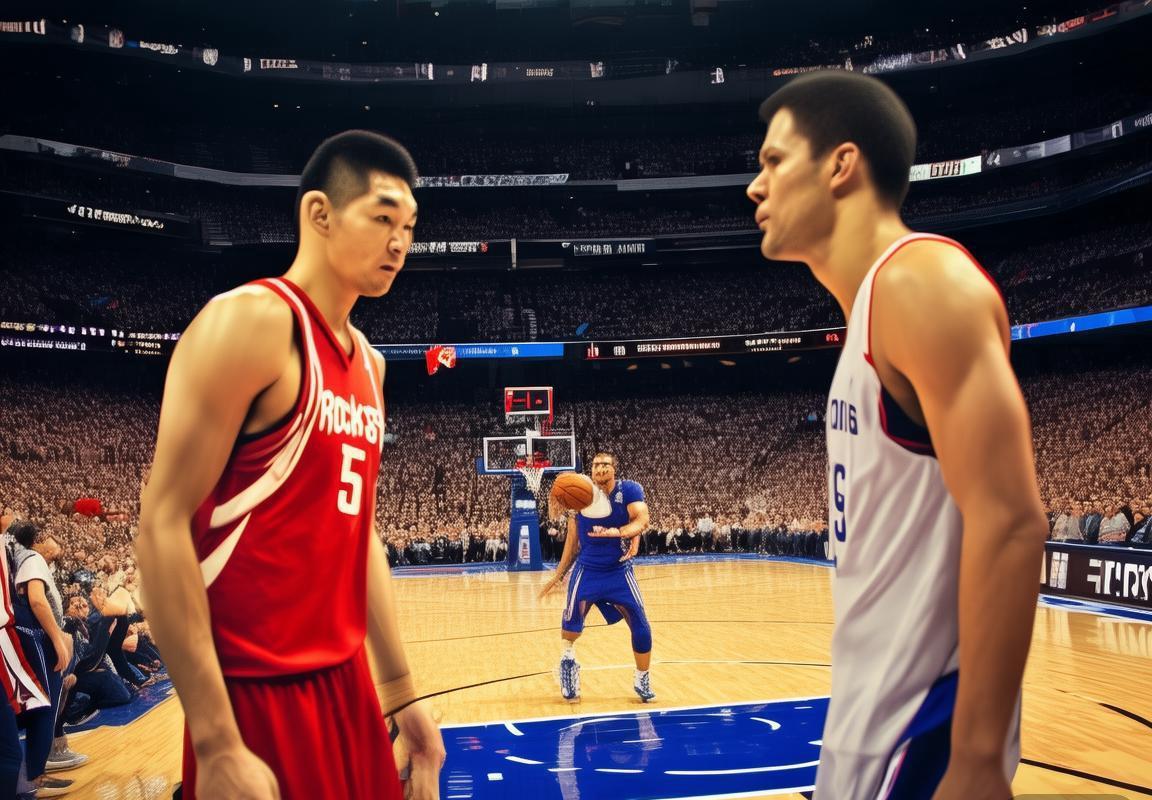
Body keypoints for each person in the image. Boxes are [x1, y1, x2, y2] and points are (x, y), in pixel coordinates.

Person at [747, 72, 1048, 799]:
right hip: (872, 725)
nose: (755, 186)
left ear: (841, 165)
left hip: (922, 737)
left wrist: (976, 759)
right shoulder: (869, 315)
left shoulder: (920, 284)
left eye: (774, 161)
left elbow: (1010, 521)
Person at [135, 130, 444, 800]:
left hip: (348, 683)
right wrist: (215, 740)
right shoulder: (250, 322)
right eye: (383, 218)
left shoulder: (371, 365)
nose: (400, 242)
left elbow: (359, 538)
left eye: (410, 227)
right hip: (253, 692)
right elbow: (161, 522)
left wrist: (400, 694)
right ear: (319, 214)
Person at [539, 453, 650, 703]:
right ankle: (568, 664)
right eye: (596, 465)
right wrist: (558, 575)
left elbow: (642, 519)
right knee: (570, 626)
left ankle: (642, 677)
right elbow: (572, 541)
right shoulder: (580, 495)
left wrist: (620, 532)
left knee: (640, 622)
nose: (600, 468)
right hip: (587, 570)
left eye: (605, 464)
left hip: (619, 571)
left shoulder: (629, 490)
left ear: (614, 469)